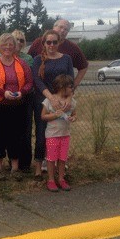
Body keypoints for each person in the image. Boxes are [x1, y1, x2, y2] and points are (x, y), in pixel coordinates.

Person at [0, 33, 33, 181]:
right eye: (5, 44)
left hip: (17, 105)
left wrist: (21, 92)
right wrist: (3, 93)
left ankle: (15, 167)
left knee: (16, 135)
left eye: (11, 44)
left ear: (15, 46)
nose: (8, 47)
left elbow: (29, 82)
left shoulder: (22, 63)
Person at [32, 30, 74, 179]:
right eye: (48, 42)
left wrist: (68, 99)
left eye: (54, 42)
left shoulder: (66, 59)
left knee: (59, 134)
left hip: (62, 102)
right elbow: (37, 80)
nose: (51, 45)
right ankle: (38, 166)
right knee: (42, 134)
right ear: (44, 43)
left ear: (59, 43)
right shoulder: (38, 60)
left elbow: (71, 80)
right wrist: (51, 97)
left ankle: (57, 166)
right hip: (43, 101)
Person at [28, 19, 88, 89]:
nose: (63, 31)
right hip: (39, 92)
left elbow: (83, 67)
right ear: (54, 27)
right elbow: (28, 63)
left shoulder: (72, 48)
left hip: (61, 93)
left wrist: (72, 87)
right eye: (61, 27)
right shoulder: (38, 43)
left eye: (66, 29)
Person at [41, 74, 77, 192]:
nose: (72, 89)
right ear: (62, 87)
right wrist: (54, 115)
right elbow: (43, 116)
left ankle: (61, 179)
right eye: (70, 87)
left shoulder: (72, 102)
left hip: (65, 135)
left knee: (62, 159)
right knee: (51, 159)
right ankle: (51, 180)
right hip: (52, 135)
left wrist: (73, 118)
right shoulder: (50, 101)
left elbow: (74, 114)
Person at [11, 29, 34, 171]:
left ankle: (25, 163)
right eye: (15, 40)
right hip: (5, 99)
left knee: (25, 131)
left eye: (21, 40)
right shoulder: (0, 57)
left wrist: (22, 91)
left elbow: (29, 80)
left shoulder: (28, 59)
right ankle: (11, 161)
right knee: (9, 131)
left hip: (25, 98)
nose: (18, 42)